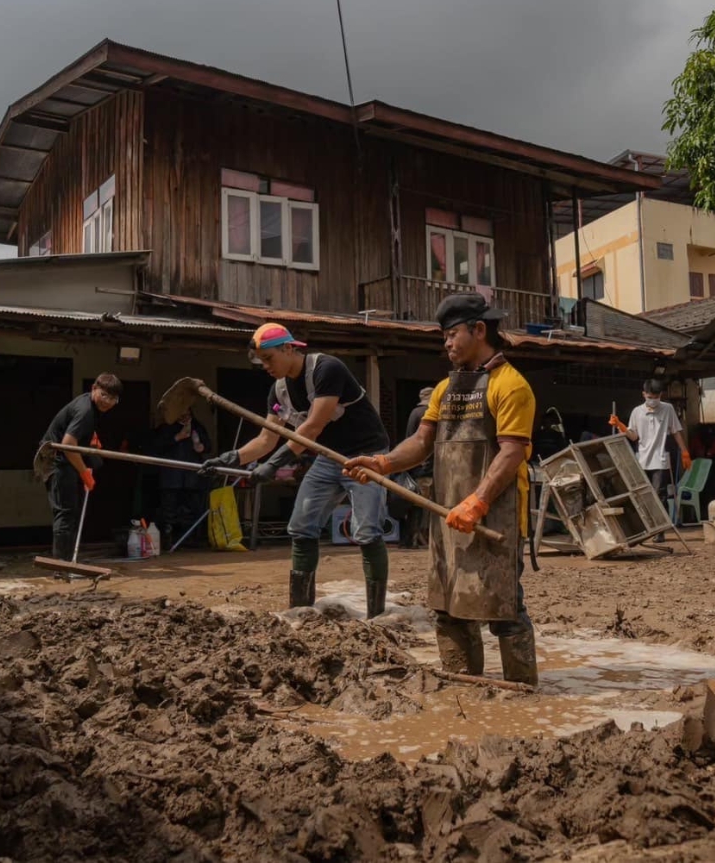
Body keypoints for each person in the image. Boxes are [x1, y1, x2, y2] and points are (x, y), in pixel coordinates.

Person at [343, 293, 539, 685]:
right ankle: (462, 687)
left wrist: (478, 502)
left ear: (479, 330)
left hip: (492, 516)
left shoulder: (512, 386)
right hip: (446, 514)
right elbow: (420, 443)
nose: (446, 344)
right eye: (444, 336)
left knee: (504, 610)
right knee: (448, 606)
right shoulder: (443, 390)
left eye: (452, 334)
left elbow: (512, 451)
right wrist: (380, 463)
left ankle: (521, 690)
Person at [200, 323, 391, 617]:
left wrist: (274, 465)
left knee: (366, 531)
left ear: (288, 348)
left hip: (367, 455)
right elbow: (266, 439)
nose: (265, 366)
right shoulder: (278, 393)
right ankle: (301, 611)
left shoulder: (327, 369)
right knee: (301, 526)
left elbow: (312, 428)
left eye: (268, 358)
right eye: (261, 361)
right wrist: (231, 458)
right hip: (330, 459)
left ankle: (376, 615)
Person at [38, 373, 122, 562]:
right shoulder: (85, 410)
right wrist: (84, 472)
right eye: (104, 395)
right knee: (65, 512)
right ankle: (62, 565)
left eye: (113, 399)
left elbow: (78, 435)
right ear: (94, 388)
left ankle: (67, 561)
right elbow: (68, 444)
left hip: (64, 458)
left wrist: (91, 444)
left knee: (71, 510)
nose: (108, 402)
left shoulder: (91, 407)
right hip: (55, 459)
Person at [609, 379, 692, 502]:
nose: (653, 400)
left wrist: (685, 452)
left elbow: (676, 432)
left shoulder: (668, 409)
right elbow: (633, 437)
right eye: (650, 397)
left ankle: (661, 521)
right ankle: (648, 521)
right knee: (643, 496)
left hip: (661, 460)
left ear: (661, 395)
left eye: (656, 397)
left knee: (659, 495)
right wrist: (620, 425)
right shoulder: (637, 412)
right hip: (642, 460)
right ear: (644, 394)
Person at [152, 411, 211, 548]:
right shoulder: (166, 427)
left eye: (187, 413)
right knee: (169, 511)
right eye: (181, 413)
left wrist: (201, 446)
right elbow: (156, 447)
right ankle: (168, 541)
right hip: (171, 478)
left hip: (192, 478)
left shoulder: (197, 427)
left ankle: (190, 540)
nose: (185, 416)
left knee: (191, 510)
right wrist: (177, 437)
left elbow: (208, 445)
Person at [401, 386, 436, 548]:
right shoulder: (427, 414)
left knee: (415, 505)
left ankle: (411, 539)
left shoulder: (414, 413)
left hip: (414, 466)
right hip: (425, 468)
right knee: (423, 506)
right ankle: (416, 539)